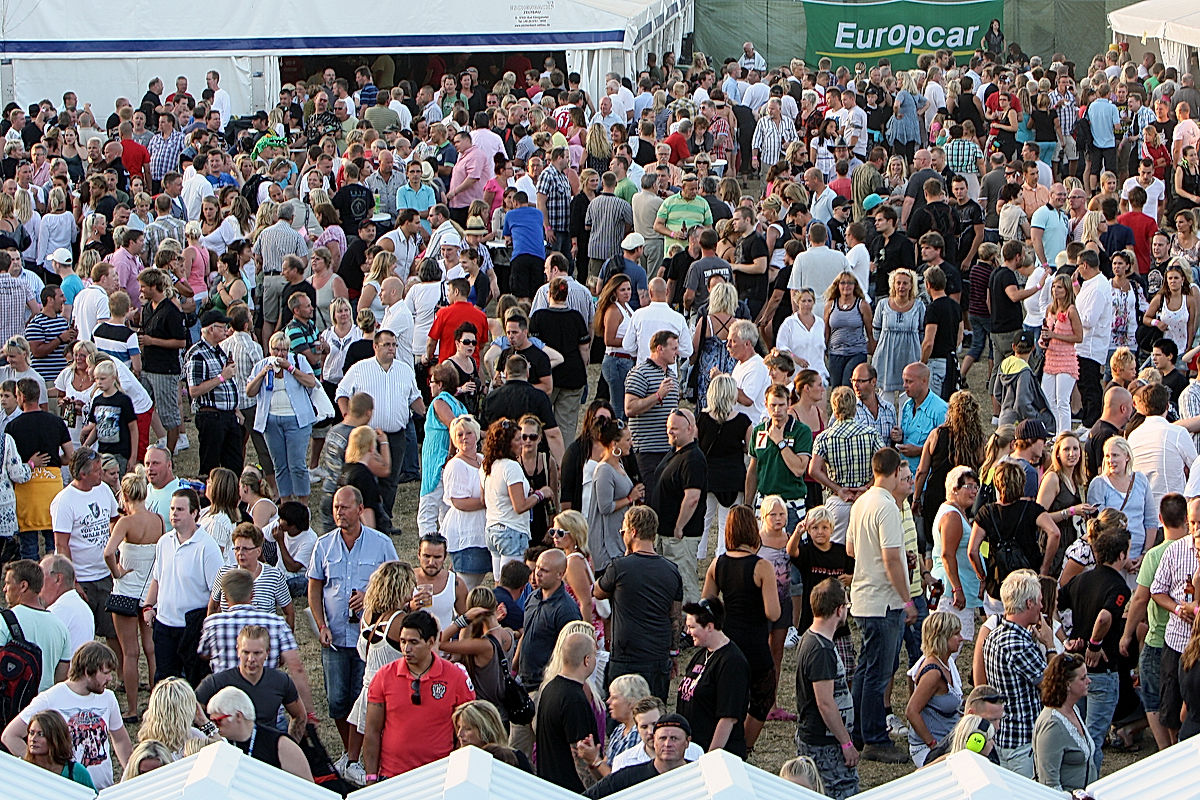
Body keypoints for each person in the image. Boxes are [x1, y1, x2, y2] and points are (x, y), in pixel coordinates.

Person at [308, 486, 398, 751]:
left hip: (368, 639)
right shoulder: (323, 545)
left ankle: (356, 755)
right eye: (336, 507)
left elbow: (395, 586)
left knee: (364, 701)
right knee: (337, 701)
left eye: (344, 507)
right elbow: (314, 587)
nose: (339, 512)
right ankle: (351, 752)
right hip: (334, 637)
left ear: (360, 509)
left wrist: (369, 597)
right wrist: (321, 625)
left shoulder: (381, 544)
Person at [845, 448, 915, 763]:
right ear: (892, 471)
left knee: (866, 668)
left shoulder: (862, 502)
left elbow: (850, 547)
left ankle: (859, 730)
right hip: (883, 601)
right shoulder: (886, 506)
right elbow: (889, 557)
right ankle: (873, 736)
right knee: (878, 672)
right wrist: (906, 597)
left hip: (863, 596)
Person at [700, 505, 780, 751]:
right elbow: (773, 613)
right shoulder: (761, 566)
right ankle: (744, 746)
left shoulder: (717, 564)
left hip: (728, 643)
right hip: (755, 643)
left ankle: (725, 744)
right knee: (762, 698)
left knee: (729, 699)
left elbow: (706, 605)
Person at [1, 642, 132, 790]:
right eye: (106, 672)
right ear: (88, 671)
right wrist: (39, 770)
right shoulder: (50, 698)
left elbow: (120, 740)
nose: (110, 679)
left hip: (103, 790)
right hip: (66, 791)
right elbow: (10, 736)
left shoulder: (108, 698)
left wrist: (131, 775)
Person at [595, 504, 681, 701]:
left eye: (623, 530)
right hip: (658, 657)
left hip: (626, 659)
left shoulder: (619, 567)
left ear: (633, 532)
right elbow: (675, 618)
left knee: (621, 719)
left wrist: (626, 554)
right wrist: (673, 653)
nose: (622, 534)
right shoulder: (672, 570)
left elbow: (597, 592)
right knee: (654, 716)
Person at [979, 569, 1054, 778]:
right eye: (1039, 601)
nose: (1042, 605)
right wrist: (1049, 645)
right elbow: (1053, 685)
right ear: (1029, 604)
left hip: (1005, 736)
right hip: (1022, 744)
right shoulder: (1018, 644)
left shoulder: (995, 635)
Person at [48, 447, 119, 652]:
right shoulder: (64, 501)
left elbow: (115, 520)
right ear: (82, 474)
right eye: (97, 470)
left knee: (112, 631)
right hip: (82, 578)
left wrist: (114, 551)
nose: (101, 474)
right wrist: (73, 582)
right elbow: (61, 545)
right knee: (81, 635)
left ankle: (120, 678)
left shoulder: (104, 490)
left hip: (105, 574)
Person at [195, 624, 306, 737]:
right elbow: (191, 712)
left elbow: (300, 716)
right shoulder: (216, 683)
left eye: (257, 653)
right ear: (238, 651)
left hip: (266, 750)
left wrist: (289, 747)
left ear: (267, 652)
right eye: (246, 652)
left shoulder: (281, 681)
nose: (251, 659)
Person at [652, 408, 707, 604]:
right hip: (665, 534)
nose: (670, 432)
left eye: (674, 428)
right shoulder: (675, 452)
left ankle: (690, 626)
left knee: (684, 584)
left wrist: (679, 527)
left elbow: (692, 497)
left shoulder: (693, 458)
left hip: (681, 537)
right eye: (668, 428)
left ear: (690, 429)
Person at [533, 630, 598, 790]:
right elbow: (580, 755)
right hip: (569, 790)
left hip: (549, 785)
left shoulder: (550, 688)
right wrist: (593, 791)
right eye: (594, 655)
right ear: (587, 660)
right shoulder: (574, 699)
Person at [205, 686, 312, 781]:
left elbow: (309, 789)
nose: (215, 727)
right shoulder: (225, 745)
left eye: (218, 721)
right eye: (212, 722)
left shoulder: (281, 745)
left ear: (238, 716)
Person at [583, 713, 693, 798]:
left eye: (674, 738)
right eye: (662, 738)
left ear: (687, 742)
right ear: (654, 740)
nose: (667, 744)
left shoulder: (699, 773)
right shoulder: (628, 777)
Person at [903, 611, 964, 766]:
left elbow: (910, 676)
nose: (961, 638)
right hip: (930, 750)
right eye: (956, 634)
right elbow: (911, 711)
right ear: (942, 637)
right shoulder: (933, 673)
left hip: (948, 743)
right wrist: (933, 745)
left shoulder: (946, 662)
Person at [0, 558, 69, 692]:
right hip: (45, 707)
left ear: (23, 586)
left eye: (8, 583)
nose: (4, 589)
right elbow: (61, 679)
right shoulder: (61, 628)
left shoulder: (4, 620)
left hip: (10, 708)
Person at [1091, 434, 1157, 572]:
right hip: (1113, 556)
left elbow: (1150, 520)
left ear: (1127, 456)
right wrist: (1124, 559)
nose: (1111, 460)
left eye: (1115, 455)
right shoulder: (1099, 484)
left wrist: (1145, 554)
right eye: (1107, 456)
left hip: (1140, 553)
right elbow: (1099, 524)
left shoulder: (1140, 480)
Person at [1033, 653, 1098, 792]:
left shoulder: (1074, 709)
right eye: (1083, 678)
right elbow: (1049, 783)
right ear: (1068, 684)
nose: (1089, 681)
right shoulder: (1052, 726)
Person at [21, 709, 97, 789]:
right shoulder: (22, 770)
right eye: (31, 733)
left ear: (56, 738)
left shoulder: (76, 772)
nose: (33, 739)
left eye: (41, 734)